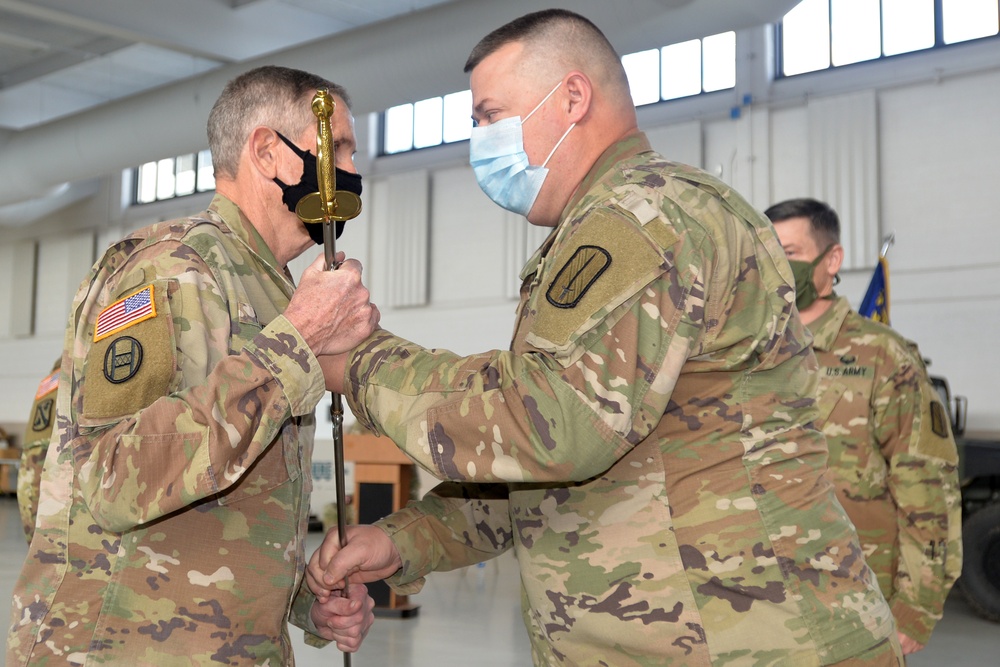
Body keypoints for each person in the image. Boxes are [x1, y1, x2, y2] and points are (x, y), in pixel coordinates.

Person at [309, 10, 902, 665]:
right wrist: (406, 541)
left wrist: (361, 362)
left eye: (489, 115)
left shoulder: (640, 221)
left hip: (750, 641)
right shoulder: (617, 221)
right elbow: (564, 480)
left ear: (571, 97)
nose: (478, 138)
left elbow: (549, 426)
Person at [6, 65, 380, 666]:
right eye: (336, 147)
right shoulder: (172, 269)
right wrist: (297, 344)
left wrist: (303, 602)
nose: (354, 171)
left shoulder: (271, 288)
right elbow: (113, 479)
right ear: (268, 152)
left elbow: (226, 506)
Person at [765, 197, 962, 655]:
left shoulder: (882, 356)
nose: (777, 267)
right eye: (768, 254)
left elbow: (928, 488)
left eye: (789, 254)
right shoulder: (751, 353)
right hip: (766, 602)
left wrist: (916, 610)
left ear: (831, 259)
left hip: (855, 601)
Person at [17, 358, 61, 544]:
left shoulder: (49, 381)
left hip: (30, 457)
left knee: (36, 540)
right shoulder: (70, 376)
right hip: (50, 456)